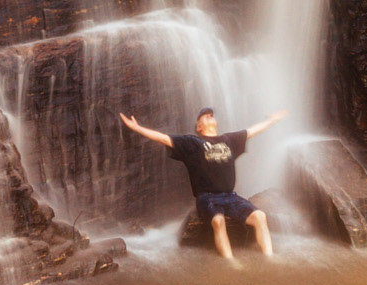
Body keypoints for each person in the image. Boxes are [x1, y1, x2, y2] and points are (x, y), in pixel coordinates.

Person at [120, 104, 287, 259]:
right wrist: (137, 128)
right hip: (207, 197)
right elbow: (163, 138)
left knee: (260, 216)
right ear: (198, 127)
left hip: (231, 196)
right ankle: (231, 263)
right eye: (204, 116)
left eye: (211, 115)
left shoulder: (229, 139)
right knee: (218, 221)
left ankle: (270, 259)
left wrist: (272, 120)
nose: (209, 115)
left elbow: (252, 131)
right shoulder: (192, 143)